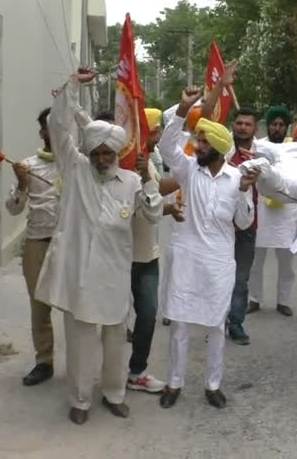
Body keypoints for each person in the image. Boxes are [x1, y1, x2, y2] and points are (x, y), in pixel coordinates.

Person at [35, 69, 163, 425]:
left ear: (117, 153)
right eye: (98, 153)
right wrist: (74, 84)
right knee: (80, 344)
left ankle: (114, 394)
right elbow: (60, 125)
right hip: (80, 275)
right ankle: (79, 400)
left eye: (109, 153)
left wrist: (150, 181)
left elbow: (152, 216)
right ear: (89, 152)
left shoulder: (133, 180)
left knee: (113, 343)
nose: (103, 159)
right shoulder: (75, 169)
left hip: (115, 275)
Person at [157, 86, 259, 410]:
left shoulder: (235, 178)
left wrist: (244, 193)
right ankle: (175, 383)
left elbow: (243, 223)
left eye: (203, 142)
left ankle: (213, 385)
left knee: (216, 326)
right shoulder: (188, 170)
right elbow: (167, 146)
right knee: (180, 323)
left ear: (216, 148)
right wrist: (183, 109)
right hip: (187, 258)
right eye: (198, 140)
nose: (197, 145)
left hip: (218, 262)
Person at [126, 108, 184, 393]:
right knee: (112, 319)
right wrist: (191, 175)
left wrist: (169, 206)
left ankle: (137, 371)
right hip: (120, 254)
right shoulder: (124, 162)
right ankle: (107, 373)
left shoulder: (150, 159)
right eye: (155, 129)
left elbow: (153, 196)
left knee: (148, 314)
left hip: (147, 253)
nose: (159, 134)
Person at [5, 107, 61, 387]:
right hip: (38, 245)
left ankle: (81, 362)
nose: (52, 130)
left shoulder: (81, 164)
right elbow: (13, 210)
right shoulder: (28, 166)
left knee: (77, 306)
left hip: (70, 246)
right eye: (47, 126)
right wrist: (22, 184)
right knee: (39, 306)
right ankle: (44, 361)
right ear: (41, 132)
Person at [247, 106, 297, 318]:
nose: (277, 128)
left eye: (281, 125)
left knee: (287, 262)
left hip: (287, 212)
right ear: (269, 125)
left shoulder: (295, 149)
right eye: (274, 124)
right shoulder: (258, 146)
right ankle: (254, 299)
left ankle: (283, 300)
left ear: (286, 127)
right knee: (256, 261)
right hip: (261, 210)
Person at [226, 106, 261, 345]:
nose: (243, 127)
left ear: (255, 128)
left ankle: (236, 324)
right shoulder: (222, 150)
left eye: (248, 124)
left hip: (247, 228)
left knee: (240, 279)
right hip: (220, 225)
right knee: (217, 276)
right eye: (239, 123)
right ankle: (216, 322)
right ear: (233, 125)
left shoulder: (263, 154)